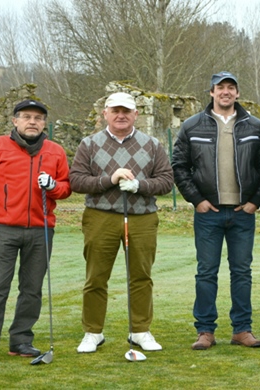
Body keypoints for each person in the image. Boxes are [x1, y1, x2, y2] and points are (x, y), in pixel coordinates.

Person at [172, 71, 260, 350]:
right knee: (206, 272)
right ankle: (205, 331)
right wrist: (196, 200)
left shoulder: (254, 126)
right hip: (208, 212)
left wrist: (256, 201)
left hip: (243, 212)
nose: (226, 92)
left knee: (242, 272)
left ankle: (242, 329)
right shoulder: (192, 126)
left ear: (237, 93)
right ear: (212, 92)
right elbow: (179, 166)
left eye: (231, 87)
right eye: (220, 88)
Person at [0, 100, 71, 364]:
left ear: (44, 123)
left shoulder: (56, 151)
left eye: (38, 117)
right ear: (15, 121)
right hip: (2, 229)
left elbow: (66, 188)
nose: (32, 121)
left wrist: (54, 186)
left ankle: (21, 340)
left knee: (32, 288)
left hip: (41, 230)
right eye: (26, 116)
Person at [69, 92, 173, 353]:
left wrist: (140, 185)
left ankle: (140, 331)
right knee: (96, 277)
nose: (121, 115)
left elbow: (166, 181)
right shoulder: (89, 144)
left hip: (142, 217)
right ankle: (93, 332)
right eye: (115, 110)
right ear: (105, 113)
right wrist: (109, 179)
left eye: (126, 111)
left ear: (136, 114)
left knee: (141, 277)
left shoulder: (152, 145)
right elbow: (77, 181)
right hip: (100, 216)